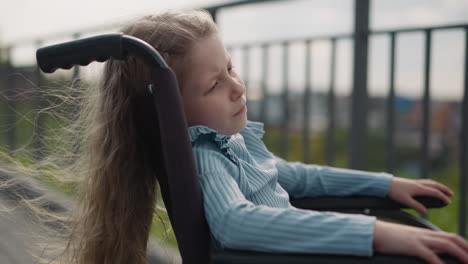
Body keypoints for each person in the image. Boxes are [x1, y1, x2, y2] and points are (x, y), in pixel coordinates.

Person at [7, 8, 467, 264]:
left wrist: (384, 185)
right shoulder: (206, 156)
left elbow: (290, 176)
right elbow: (238, 222)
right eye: (214, 84)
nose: (237, 87)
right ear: (174, 114)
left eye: (230, 68)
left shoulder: (232, 146)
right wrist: (375, 234)